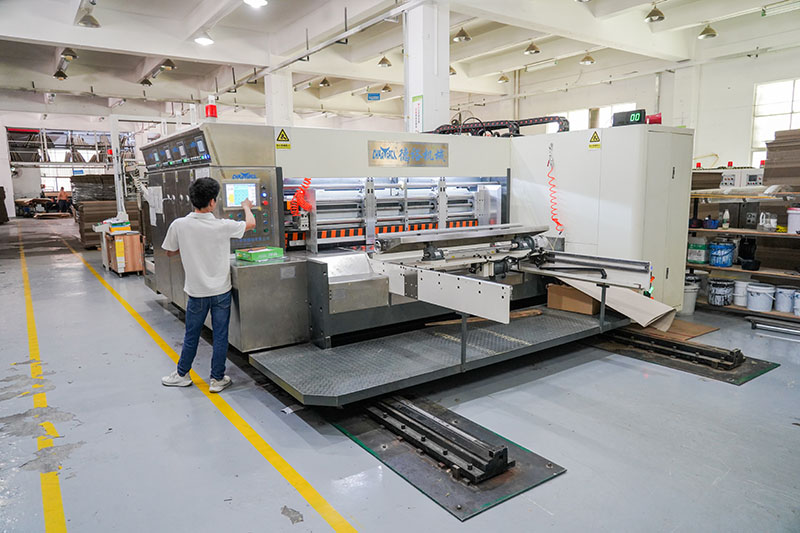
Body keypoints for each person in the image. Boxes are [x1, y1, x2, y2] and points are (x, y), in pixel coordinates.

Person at [160, 177, 255, 392]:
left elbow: (169, 251)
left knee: (192, 334)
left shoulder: (179, 225)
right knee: (220, 335)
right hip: (221, 291)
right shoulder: (222, 225)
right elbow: (251, 224)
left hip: (196, 292)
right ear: (212, 202)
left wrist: (189, 247)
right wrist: (246, 207)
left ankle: (182, 374)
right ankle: (217, 379)